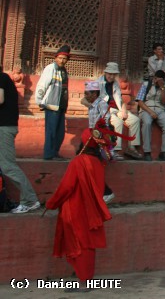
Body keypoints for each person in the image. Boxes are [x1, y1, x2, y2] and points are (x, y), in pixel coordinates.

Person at [45, 127, 113, 288]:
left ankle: (83, 281)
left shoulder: (78, 162)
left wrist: (51, 203)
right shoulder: (98, 162)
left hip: (77, 207)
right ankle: (86, 277)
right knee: (87, 243)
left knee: (80, 243)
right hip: (91, 209)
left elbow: (66, 187)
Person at [0, 67, 41, 214]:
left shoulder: (2, 78)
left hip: (4, 128)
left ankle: (30, 200)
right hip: (4, 127)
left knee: (7, 166)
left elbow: (0, 99)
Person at [95, 62, 141, 160]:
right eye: (109, 74)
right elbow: (92, 100)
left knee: (135, 120)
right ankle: (115, 150)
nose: (111, 76)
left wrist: (123, 110)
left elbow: (120, 100)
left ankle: (131, 147)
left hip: (117, 108)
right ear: (105, 72)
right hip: (105, 110)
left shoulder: (115, 83)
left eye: (113, 74)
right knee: (118, 122)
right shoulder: (97, 83)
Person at [35, 44, 70, 160]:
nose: (62, 60)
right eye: (60, 58)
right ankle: (49, 154)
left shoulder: (64, 71)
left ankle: (55, 152)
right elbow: (42, 84)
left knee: (60, 132)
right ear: (55, 58)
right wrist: (39, 100)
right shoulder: (50, 68)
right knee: (51, 131)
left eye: (64, 58)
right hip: (51, 104)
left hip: (61, 105)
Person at [136, 70, 165, 161]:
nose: (157, 81)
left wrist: (162, 88)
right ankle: (147, 152)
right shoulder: (146, 85)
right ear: (154, 78)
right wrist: (150, 112)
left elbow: (164, 102)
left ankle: (164, 152)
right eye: (156, 79)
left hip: (160, 109)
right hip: (146, 108)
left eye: (160, 80)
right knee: (147, 123)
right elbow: (140, 102)